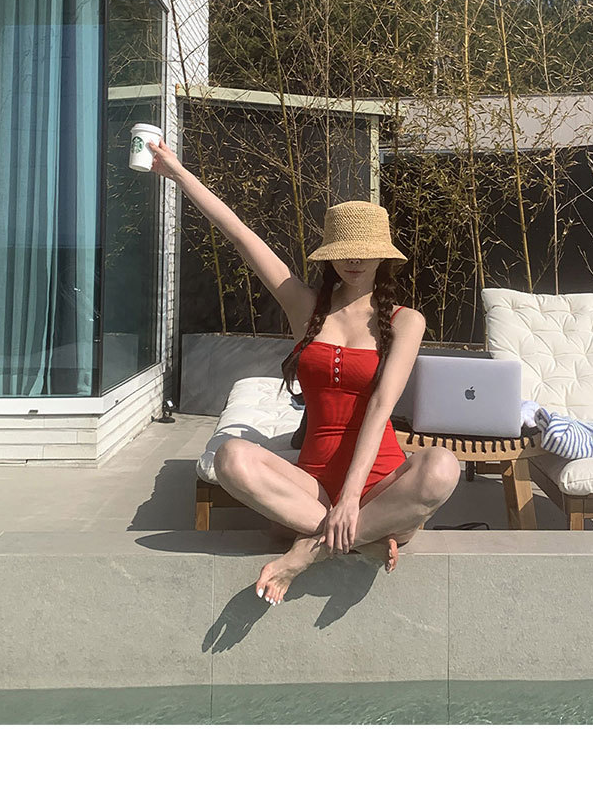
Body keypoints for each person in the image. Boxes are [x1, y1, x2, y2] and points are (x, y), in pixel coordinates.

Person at [147, 137, 460, 605]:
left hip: (381, 487)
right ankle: (362, 541)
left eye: (365, 250)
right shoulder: (306, 308)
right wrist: (179, 173)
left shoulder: (405, 321)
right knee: (231, 457)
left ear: (383, 255)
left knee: (442, 466)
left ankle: (310, 551)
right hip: (310, 492)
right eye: (345, 250)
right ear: (330, 253)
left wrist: (351, 499)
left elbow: (380, 406)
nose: (354, 259)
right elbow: (241, 236)